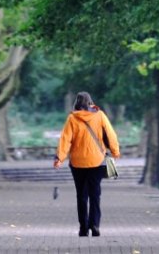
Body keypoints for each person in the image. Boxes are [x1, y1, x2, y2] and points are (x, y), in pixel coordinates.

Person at [53, 91, 120, 237]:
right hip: (97, 161)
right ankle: (94, 224)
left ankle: (83, 227)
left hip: (78, 163)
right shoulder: (100, 115)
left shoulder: (72, 118)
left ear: (77, 103)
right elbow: (110, 134)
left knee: (81, 196)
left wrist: (59, 158)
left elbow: (65, 140)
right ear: (90, 102)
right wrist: (115, 152)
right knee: (95, 195)